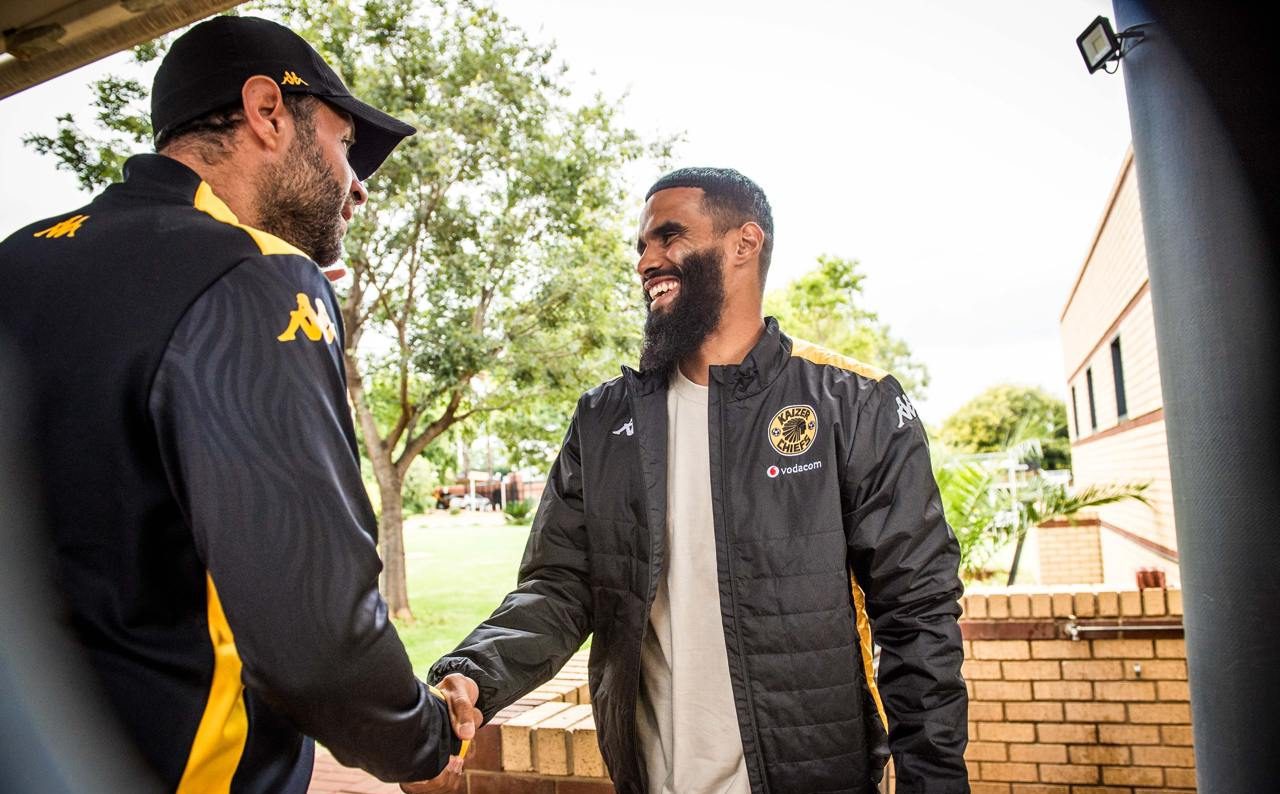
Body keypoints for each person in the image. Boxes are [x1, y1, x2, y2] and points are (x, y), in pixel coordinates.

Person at [0, 16, 479, 793]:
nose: (357, 185)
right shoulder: (255, 274)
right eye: (344, 143)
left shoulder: (18, 255)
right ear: (266, 112)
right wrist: (424, 741)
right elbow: (318, 643)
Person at [426, 168, 969, 794]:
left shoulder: (853, 403)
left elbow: (918, 613)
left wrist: (935, 781)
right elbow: (559, 586)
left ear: (745, 243)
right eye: (641, 247)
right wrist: (472, 674)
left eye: (669, 237)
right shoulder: (604, 420)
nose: (647, 261)